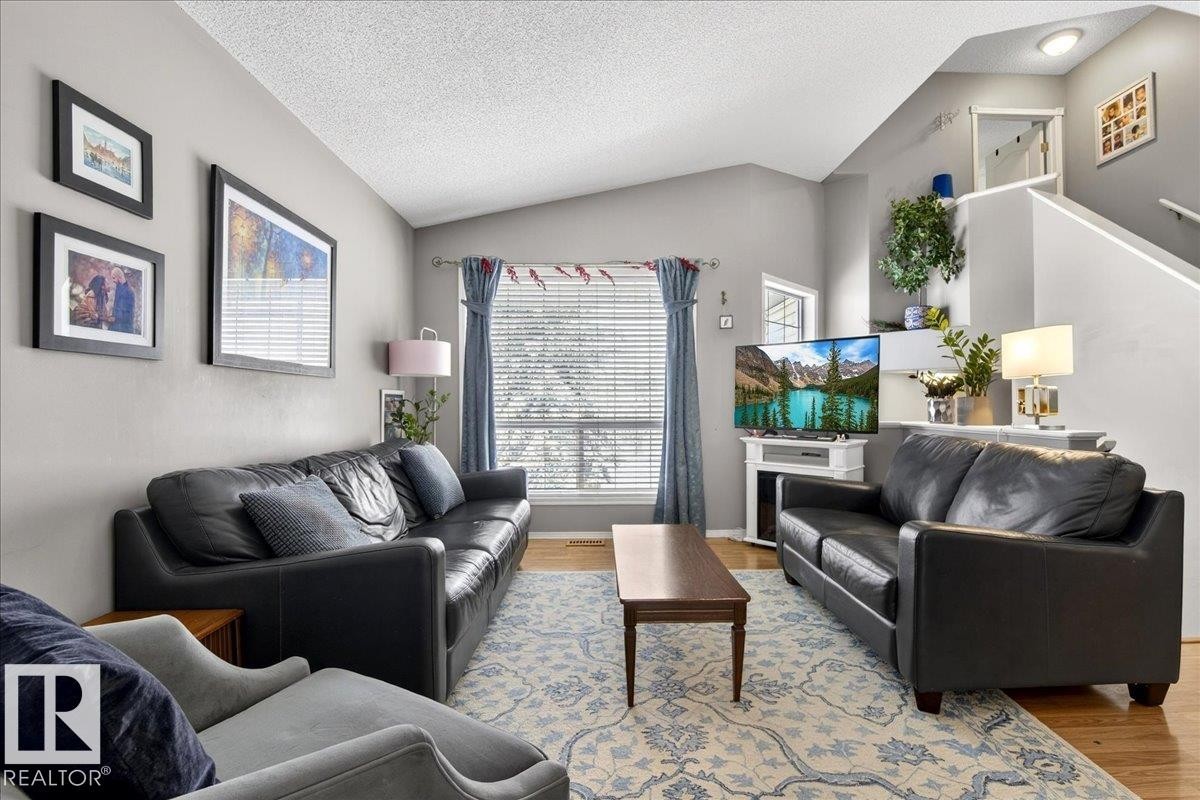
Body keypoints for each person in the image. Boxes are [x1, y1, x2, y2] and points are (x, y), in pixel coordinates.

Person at [110, 267, 136, 334]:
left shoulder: (129, 290)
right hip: (117, 324)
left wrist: (115, 318)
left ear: (119, 276)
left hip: (124, 326)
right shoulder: (119, 287)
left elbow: (127, 311)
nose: (113, 280)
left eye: (113, 278)